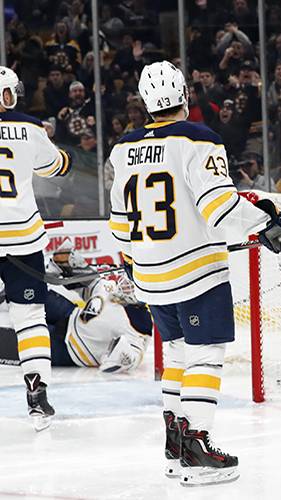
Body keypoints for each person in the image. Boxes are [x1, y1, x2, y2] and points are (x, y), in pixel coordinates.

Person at [107, 61, 281, 486]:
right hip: (197, 273)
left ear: (144, 101)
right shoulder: (199, 139)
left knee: (176, 354)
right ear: (184, 96)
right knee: (206, 354)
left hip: (151, 277)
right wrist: (268, 223)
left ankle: (175, 446)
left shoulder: (122, 149)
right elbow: (219, 208)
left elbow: (120, 227)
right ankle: (197, 446)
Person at [0, 66, 72, 431]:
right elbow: (57, 167)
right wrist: (67, 159)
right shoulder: (29, 128)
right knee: (29, 316)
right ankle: (37, 395)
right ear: (10, 95)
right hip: (21, 237)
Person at [0, 249, 153, 373]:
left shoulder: (140, 326)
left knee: (20, 345)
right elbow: (88, 283)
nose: (125, 285)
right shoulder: (111, 289)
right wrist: (69, 263)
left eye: (131, 286)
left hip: (69, 350)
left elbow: (126, 361)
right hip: (69, 315)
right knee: (28, 291)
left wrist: (120, 356)